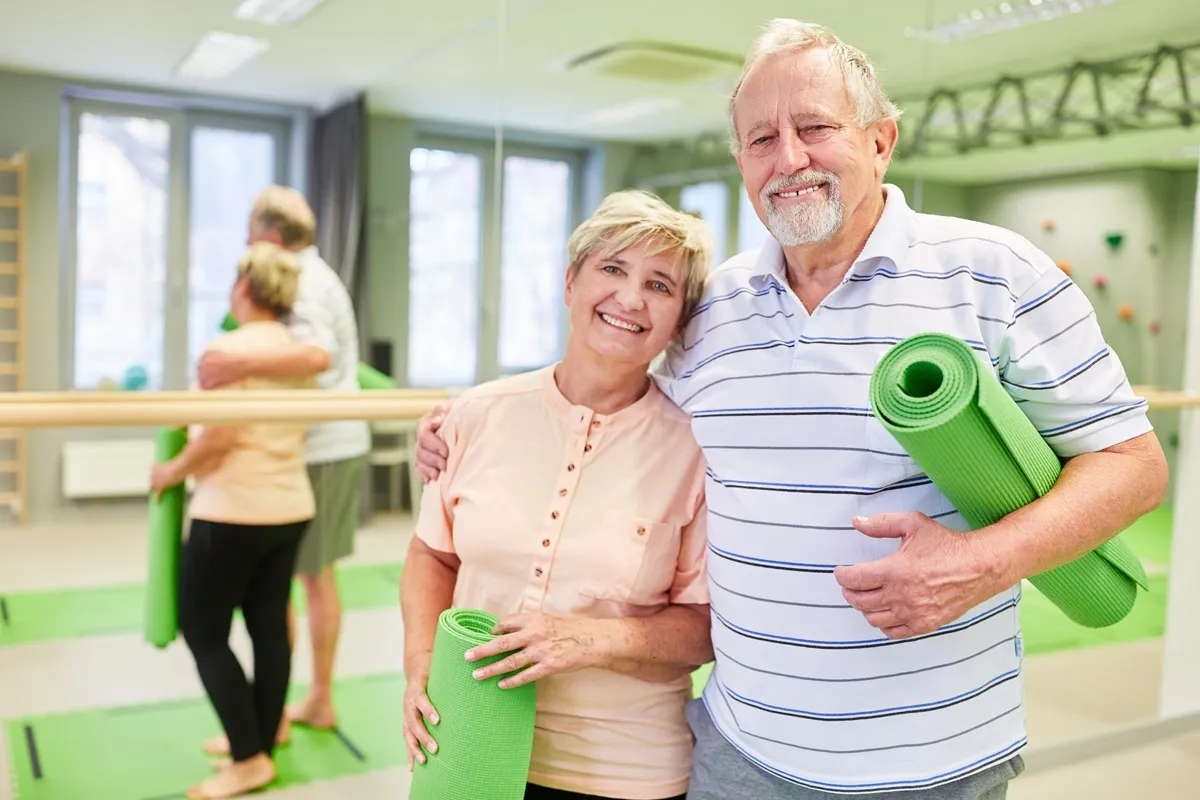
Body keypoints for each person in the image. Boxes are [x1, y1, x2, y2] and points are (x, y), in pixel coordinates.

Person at [416, 18, 1169, 800]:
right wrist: (459, 426)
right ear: (741, 161)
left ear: (881, 141)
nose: (790, 159)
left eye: (814, 127)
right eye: (761, 139)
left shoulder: (992, 274)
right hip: (739, 756)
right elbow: (612, 410)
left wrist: (983, 562)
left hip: (935, 763)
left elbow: (1133, 466)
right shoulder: (712, 313)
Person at [401, 190, 715, 800]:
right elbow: (433, 555)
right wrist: (420, 664)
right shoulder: (475, 414)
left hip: (625, 767)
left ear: (680, 318)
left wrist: (586, 640)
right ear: (571, 283)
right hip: (467, 736)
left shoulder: (697, 451)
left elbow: (704, 628)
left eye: (659, 285)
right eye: (613, 269)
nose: (630, 298)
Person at [195, 186, 370, 749]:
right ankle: (288, 708)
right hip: (315, 445)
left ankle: (308, 702)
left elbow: (317, 356)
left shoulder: (305, 277)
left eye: (249, 236)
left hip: (326, 446)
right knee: (300, 584)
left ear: (270, 238)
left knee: (310, 581)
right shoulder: (308, 273)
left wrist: (230, 359)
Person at [150, 242, 316, 800]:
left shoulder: (228, 350)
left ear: (243, 288)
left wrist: (170, 471)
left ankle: (248, 759)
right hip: (289, 506)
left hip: (232, 512)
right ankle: (257, 740)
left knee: (203, 629)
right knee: (268, 625)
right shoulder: (293, 351)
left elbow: (218, 437)